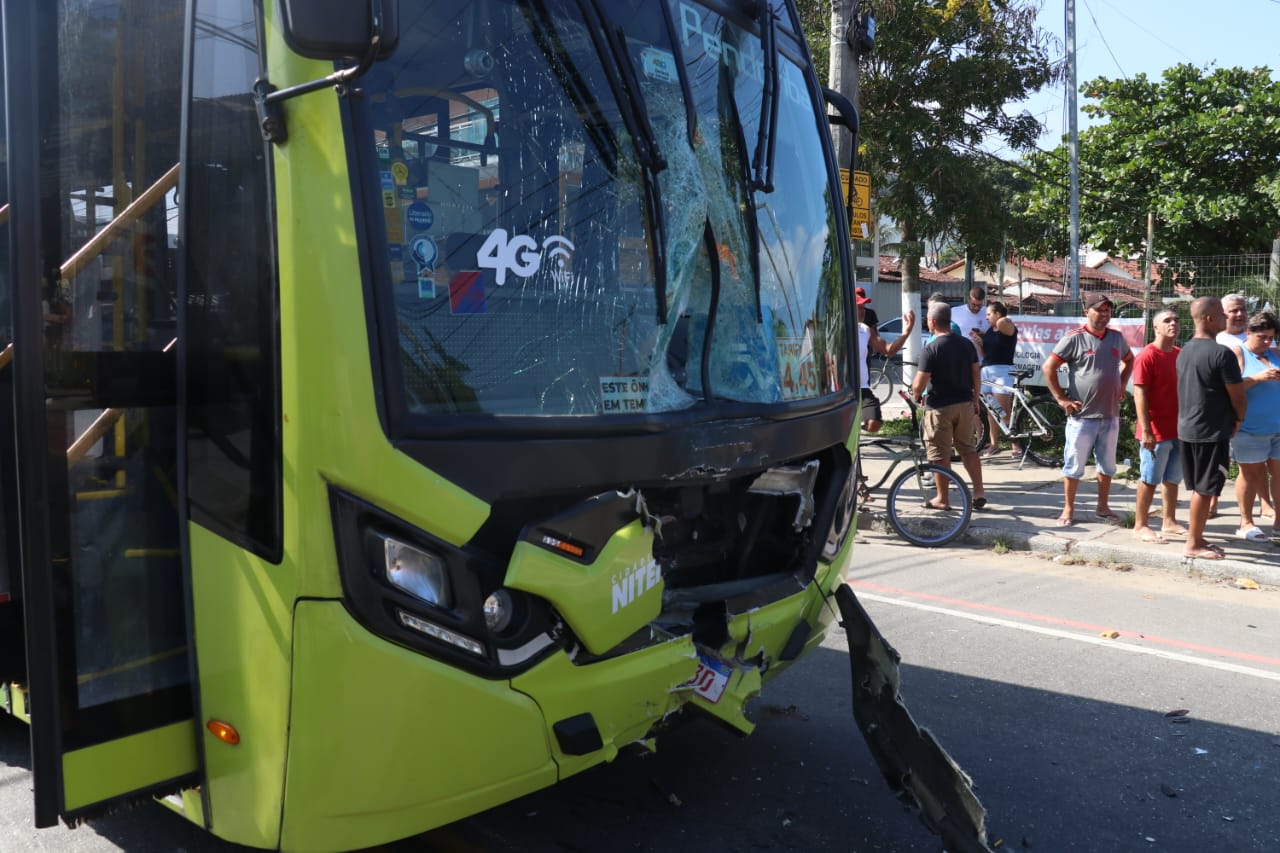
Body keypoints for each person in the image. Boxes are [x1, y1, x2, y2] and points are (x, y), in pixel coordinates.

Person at [1041, 293, 1134, 526]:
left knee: (1108, 465)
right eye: (1099, 310)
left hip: (1110, 415)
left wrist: (1122, 384)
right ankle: (1068, 510)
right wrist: (1061, 399)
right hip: (1082, 417)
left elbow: (1130, 360)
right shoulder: (1074, 339)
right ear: (1087, 311)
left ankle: (1102, 508)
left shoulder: (1116, 338)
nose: (1104, 314)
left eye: (1107, 310)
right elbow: (1048, 367)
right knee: (1073, 467)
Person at [1177, 296, 1246, 560]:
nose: (1226, 317)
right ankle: (1193, 544)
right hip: (1211, 431)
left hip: (1188, 429)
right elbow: (1238, 396)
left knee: (1199, 489)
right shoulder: (1221, 354)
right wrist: (1238, 418)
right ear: (1208, 319)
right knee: (1205, 490)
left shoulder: (1184, 351)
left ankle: (1198, 536)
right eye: (1221, 313)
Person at [910, 301, 987, 509]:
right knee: (969, 449)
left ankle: (942, 499)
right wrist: (976, 399)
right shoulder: (966, 344)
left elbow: (920, 383)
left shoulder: (931, 348)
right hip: (964, 404)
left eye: (927, 320)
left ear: (933, 322)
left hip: (940, 407)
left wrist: (915, 394)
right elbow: (976, 373)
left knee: (939, 454)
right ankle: (978, 491)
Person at [1130, 309, 1187, 543]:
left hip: (1180, 430)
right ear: (1156, 327)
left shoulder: (1180, 354)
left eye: (1176, 320)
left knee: (1172, 479)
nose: (1173, 323)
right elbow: (1139, 394)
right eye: (1167, 320)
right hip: (1156, 432)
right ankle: (1140, 524)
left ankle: (1169, 521)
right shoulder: (1147, 356)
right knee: (1149, 479)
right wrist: (1148, 430)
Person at [1229, 311, 1280, 541]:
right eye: (1263, 337)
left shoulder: (1276, 353)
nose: (1267, 342)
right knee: (1250, 475)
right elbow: (1230, 388)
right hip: (1249, 428)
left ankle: (1278, 523)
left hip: (1277, 427)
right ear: (1248, 333)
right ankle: (1246, 522)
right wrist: (1258, 378)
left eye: (1271, 337)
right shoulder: (1238, 353)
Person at [969, 300, 1020, 457]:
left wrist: (1002, 317)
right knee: (992, 410)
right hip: (987, 371)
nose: (986, 318)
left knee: (1003, 411)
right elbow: (987, 355)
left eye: (989, 314)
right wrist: (979, 343)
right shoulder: (990, 331)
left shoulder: (1006, 326)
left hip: (1003, 371)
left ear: (998, 314)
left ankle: (1016, 444)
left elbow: (1004, 323)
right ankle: (994, 444)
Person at [858, 295, 915, 433]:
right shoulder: (838, 329)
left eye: (863, 307)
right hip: (843, 390)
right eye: (859, 307)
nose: (863, 311)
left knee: (874, 424)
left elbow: (888, 350)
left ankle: (858, 429)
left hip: (862, 388)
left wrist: (906, 332)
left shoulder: (865, 330)